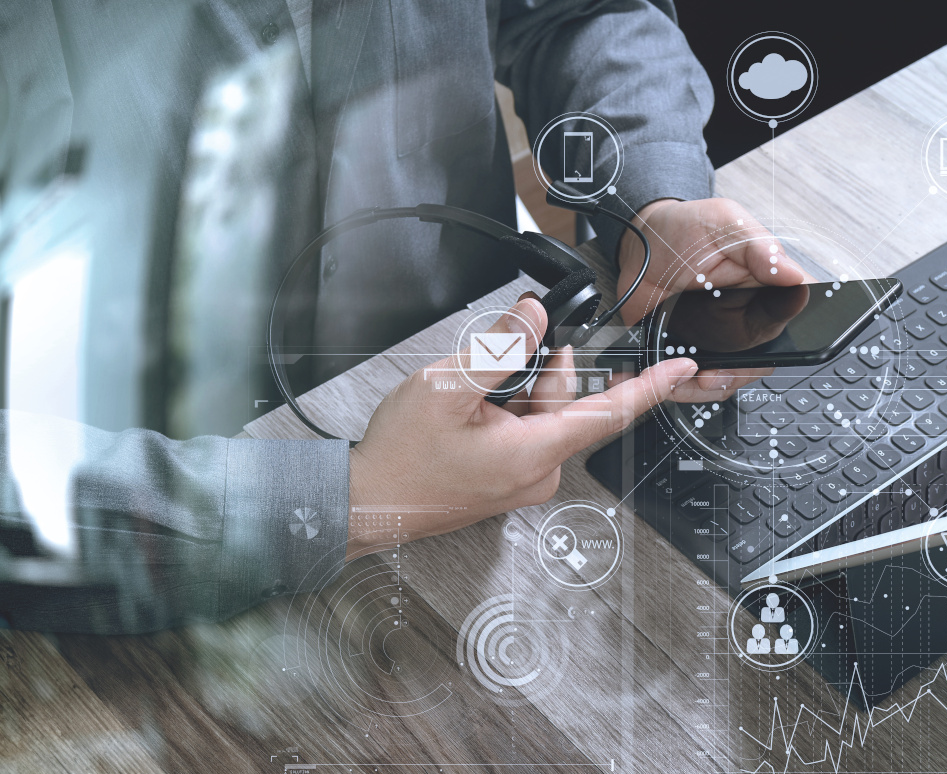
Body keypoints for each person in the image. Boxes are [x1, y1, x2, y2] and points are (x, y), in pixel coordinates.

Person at [0, 1, 809, 633]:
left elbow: (583, 11)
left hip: (500, 413)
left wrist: (651, 194)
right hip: (135, 544)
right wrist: (352, 500)